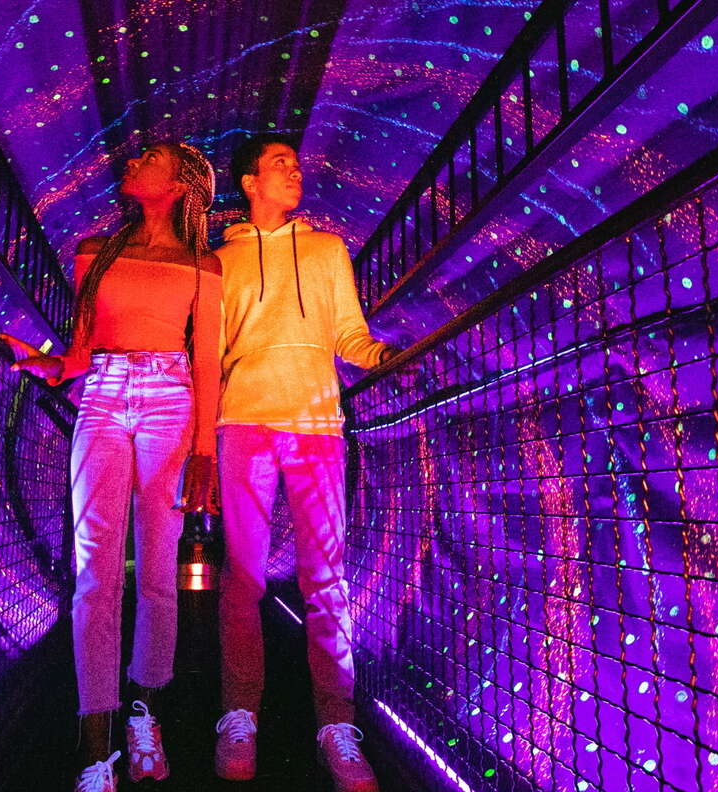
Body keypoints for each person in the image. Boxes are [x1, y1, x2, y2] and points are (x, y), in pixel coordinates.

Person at [1, 141, 222, 792]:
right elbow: (79, 352)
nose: (132, 162)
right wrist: (47, 363)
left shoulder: (202, 264)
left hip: (170, 397)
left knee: (157, 570)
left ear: (179, 185)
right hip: (100, 393)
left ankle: (144, 717)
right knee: (95, 572)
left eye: (149, 159)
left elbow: (207, 360)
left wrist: (205, 450)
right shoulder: (93, 251)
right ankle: (95, 746)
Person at [211, 134, 398, 792]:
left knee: (326, 580)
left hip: (317, 424)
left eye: (295, 162)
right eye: (279, 164)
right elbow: (210, 355)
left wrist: (383, 356)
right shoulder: (219, 263)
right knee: (242, 577)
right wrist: (199, 442)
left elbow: (348, 333)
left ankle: (336, 725)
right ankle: (239, 716)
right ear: (249, 182)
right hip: (242, 423)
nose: (294, 171)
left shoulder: (326, 249)